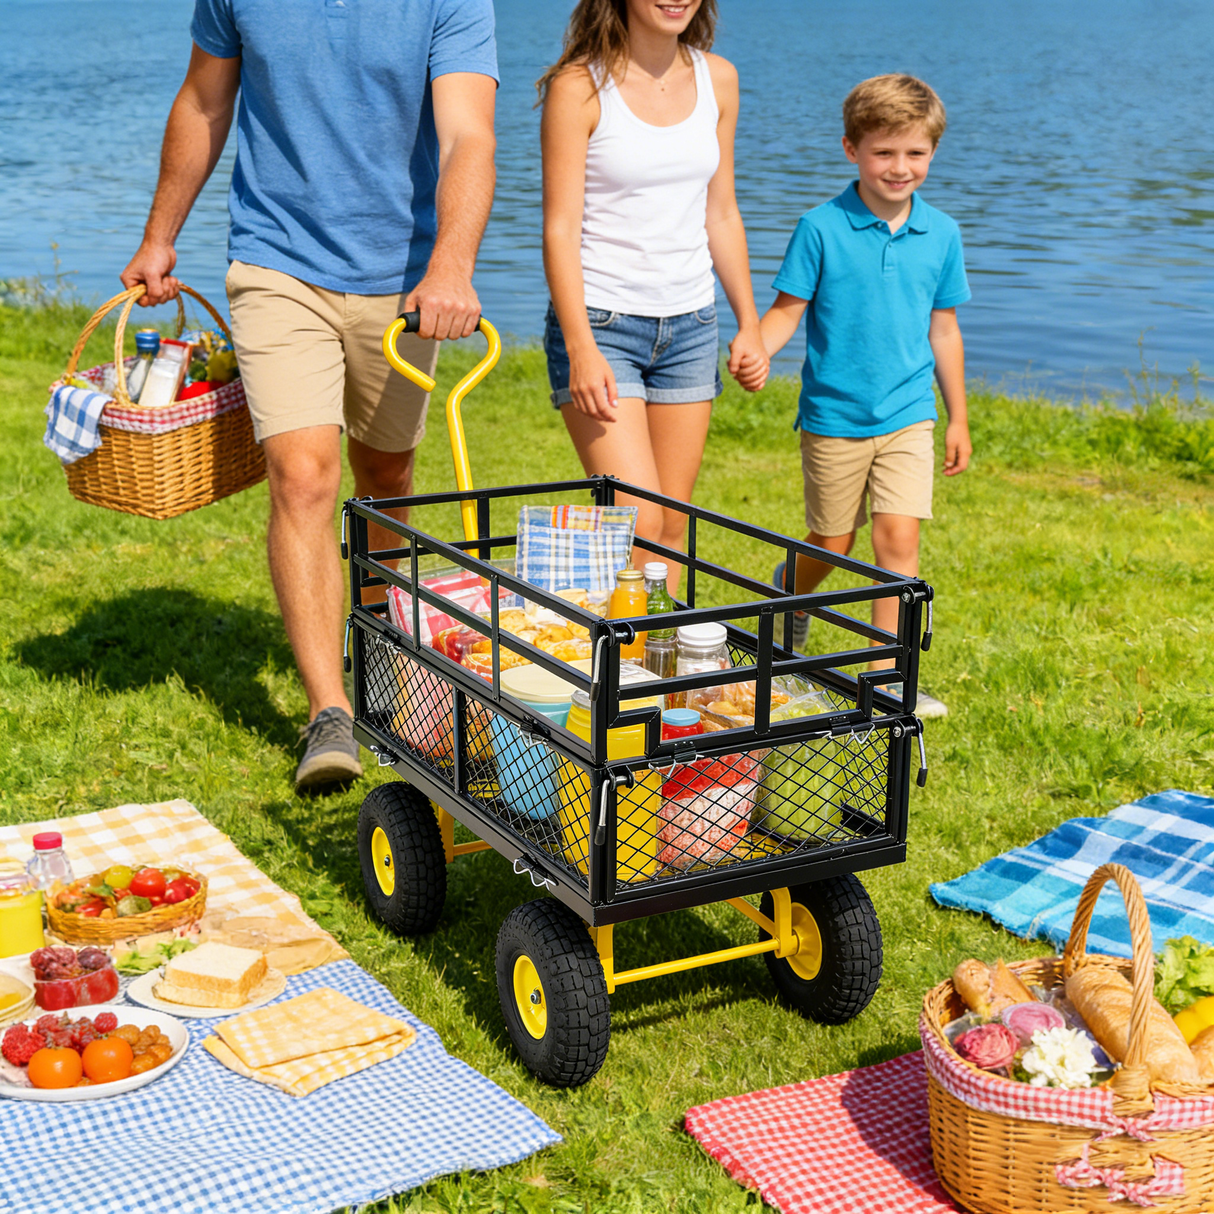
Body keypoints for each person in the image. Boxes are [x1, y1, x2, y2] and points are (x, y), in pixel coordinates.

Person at [121, 2, 499, 791]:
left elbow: (469, 134)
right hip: (276, 263)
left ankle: (384, 663)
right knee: (301, 477)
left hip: (404, 275)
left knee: (386, 478)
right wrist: (159, 235)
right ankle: (329, 711)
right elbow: (203, 100)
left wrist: (452, 265)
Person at [758, 74, 971, 718]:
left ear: (933, 152)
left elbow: (944, 329)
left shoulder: (942, 233)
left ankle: (887, 680)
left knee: (897, 543)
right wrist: (756, 348)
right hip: (833, 416)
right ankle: (787, 594)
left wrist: (958, 417)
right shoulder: (820, 228)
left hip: (910, 414)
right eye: (884, 152)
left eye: (915, 153)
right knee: (832, 541)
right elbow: (787, 309)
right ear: (852, 149)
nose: (900, 167)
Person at [538, 0, 768, 591]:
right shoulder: (579, 87)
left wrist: (749, 322)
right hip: (602, 324)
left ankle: (655, 652)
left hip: (692, 327)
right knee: (638, 524)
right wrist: (580, 347)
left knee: (671, 526)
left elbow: (722, 211)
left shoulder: (719, 78)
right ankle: (615, 645)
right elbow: (560, 229)